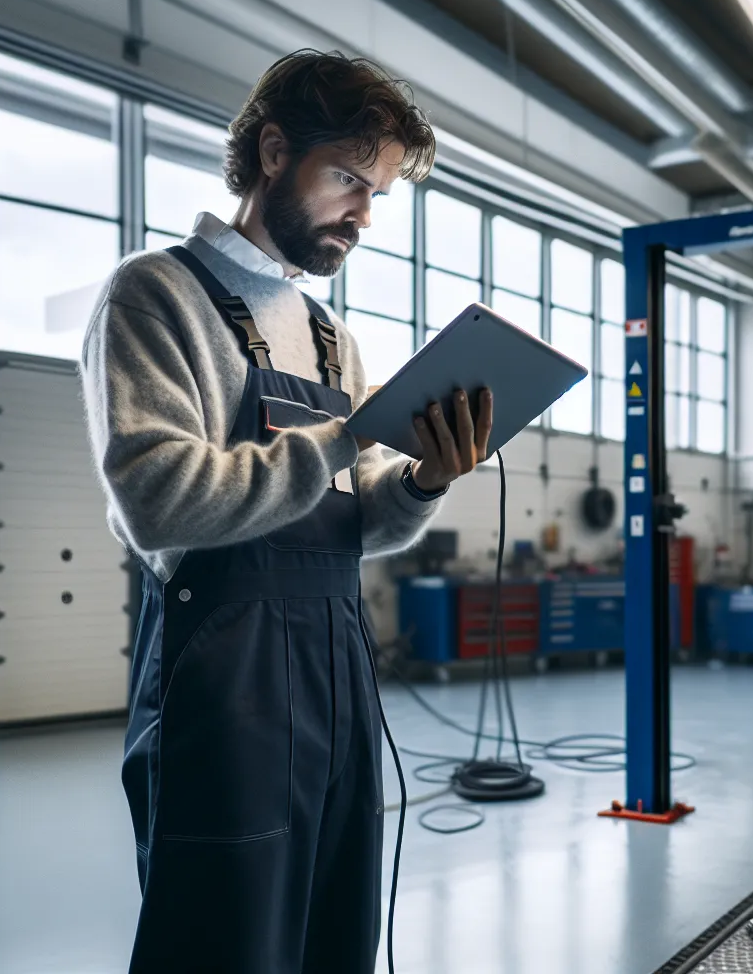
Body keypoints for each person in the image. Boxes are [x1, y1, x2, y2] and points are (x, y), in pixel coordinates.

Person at [80, 49, 487, 974]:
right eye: (349, 179)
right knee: (227, 939)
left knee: (336, 924)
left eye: (378, 192)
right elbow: (157, 498)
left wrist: (422, 480)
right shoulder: (154, 295)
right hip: (226, 681)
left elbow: (357, 524)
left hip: (339, 660)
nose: (364, 215)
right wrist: (348, 433)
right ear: (273, 152)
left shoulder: (332, 337)